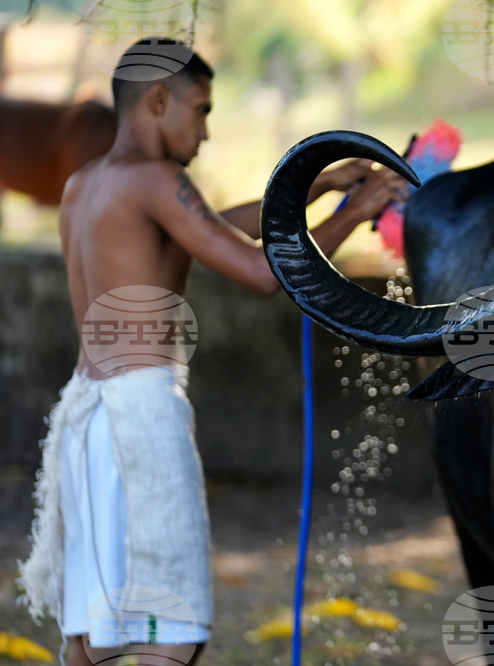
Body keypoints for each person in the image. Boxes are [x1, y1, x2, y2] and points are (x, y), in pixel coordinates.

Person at [17, 38, 409, 666]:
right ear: (159, 99)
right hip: (142, 414)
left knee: (92, 627)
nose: (205, 129)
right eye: (200, 110)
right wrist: (353, 212)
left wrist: (312, 188)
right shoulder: (159, 179)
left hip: (89, 419)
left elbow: (205, 224)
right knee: (173, 630)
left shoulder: (88, 184)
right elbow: (258, 273)